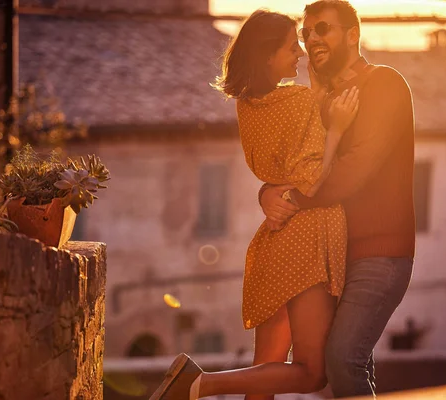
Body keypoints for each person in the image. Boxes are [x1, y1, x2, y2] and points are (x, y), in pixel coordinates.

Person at [149, 8, 359, 400]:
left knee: (265, 375)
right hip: (306, 240)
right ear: (267, 55)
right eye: (290, 46)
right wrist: (339, 129)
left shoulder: (249, 105)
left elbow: (277, 174)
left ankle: (196, 384)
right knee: (312, 373)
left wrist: (267, 192)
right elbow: (315, 179)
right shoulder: (297, 102)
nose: (299, 52)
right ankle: (200, 384)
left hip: (277, 240)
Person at [259, 1, 416, 398]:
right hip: (332, 257)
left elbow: (353, 168)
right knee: (343, 366)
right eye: (306, 33)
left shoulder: (384, 84)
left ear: (352, 35)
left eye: (323, 29)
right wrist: (267, 193)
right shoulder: (319, 100)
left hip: (379, 255)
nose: (311, 39)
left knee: (343, 359)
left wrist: (292, 200)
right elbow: (295, 165)